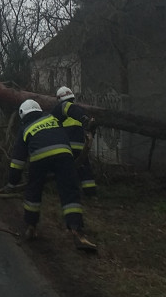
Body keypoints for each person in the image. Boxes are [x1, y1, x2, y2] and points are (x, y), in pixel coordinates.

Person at [6, 99, 96, 250]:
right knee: (69, 192)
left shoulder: (25, 128)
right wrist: (84, 119)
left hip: (39, 160)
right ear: (39, 109)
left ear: (23, 115)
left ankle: (31, 227)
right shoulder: (52, 117)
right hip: (64, 155)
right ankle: (76, 230)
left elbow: (17, 161)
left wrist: (11, 183)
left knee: (33, 192)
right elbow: (65, 106)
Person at [51, 86, 98, 197]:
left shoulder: (62, 107)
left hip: (66, 147)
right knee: (85, 169)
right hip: (81, 147)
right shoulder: (80, 111)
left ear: (59, 98)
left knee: (65, 170)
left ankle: (69, 193)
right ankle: (91, 194)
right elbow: (91, 127)